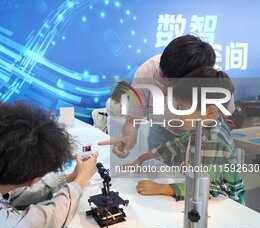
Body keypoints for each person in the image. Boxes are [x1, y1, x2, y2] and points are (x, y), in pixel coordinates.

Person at [99, 34, 235, 159]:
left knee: (198, 178)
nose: (164, 91)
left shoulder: (216, 81)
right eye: (162, 79)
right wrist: (129, 137)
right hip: (161, 130)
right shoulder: (147, 71)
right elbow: (131, 122)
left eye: (174, 87)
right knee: (157, 172)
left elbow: (222, 117)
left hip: (200, 134)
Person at [123, 67, 246, 205]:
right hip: (202, 196)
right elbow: (173, 145)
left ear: (210, 112)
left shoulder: (214, 138)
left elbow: (208, 187)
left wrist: (162, 188)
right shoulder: (203, 125)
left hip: (227, 204)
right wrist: (141, 159)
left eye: (182, 109)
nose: (177, 114)